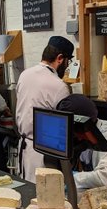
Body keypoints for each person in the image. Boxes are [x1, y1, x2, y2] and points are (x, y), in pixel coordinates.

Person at [16, 35, 73, 181]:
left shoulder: (24, 75)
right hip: (45, 155)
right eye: (68, 61)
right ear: (60, 58)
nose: (67, 66)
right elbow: (63, 129)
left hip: (24, 146)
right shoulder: (59, 86)